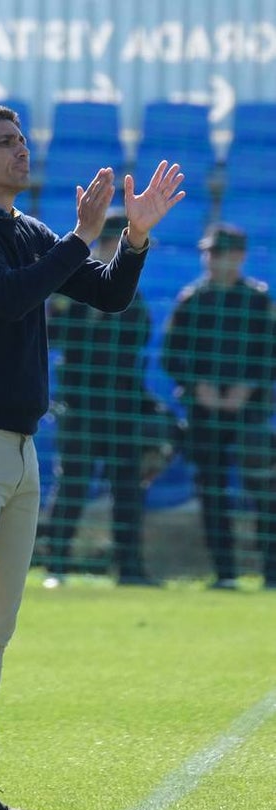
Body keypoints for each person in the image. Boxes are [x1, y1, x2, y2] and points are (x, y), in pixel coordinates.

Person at [0, 104, 184, 810]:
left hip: (19, 446)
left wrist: (135, 236)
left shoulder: (27, 230)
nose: (22, 151)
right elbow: (6, 299)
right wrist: (82, 238)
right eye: (6, 143)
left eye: (24, 141)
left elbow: (108, 294)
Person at [43, 211, 163, 588]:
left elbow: (136, 343)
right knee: (73, 486)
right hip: (79, 405)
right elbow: (55, 335)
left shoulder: (134, 296)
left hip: (121, 407)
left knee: (127, 489)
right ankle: (56, 567)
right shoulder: (74, 288)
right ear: (107, 244)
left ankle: (130, 569)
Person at [162, 222, 276, 590]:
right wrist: (198, 388)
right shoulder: (192, 299)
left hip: (251, 412)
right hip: (203, 412)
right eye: (209, 253)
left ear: (239, 257)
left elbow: (270, 354)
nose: (213, 260)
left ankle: (271, 573)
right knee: (211, 492)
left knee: (264, 489)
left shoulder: (259, 301)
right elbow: (172, 356)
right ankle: (225, 573)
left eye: (221, 253)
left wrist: (249, 387)